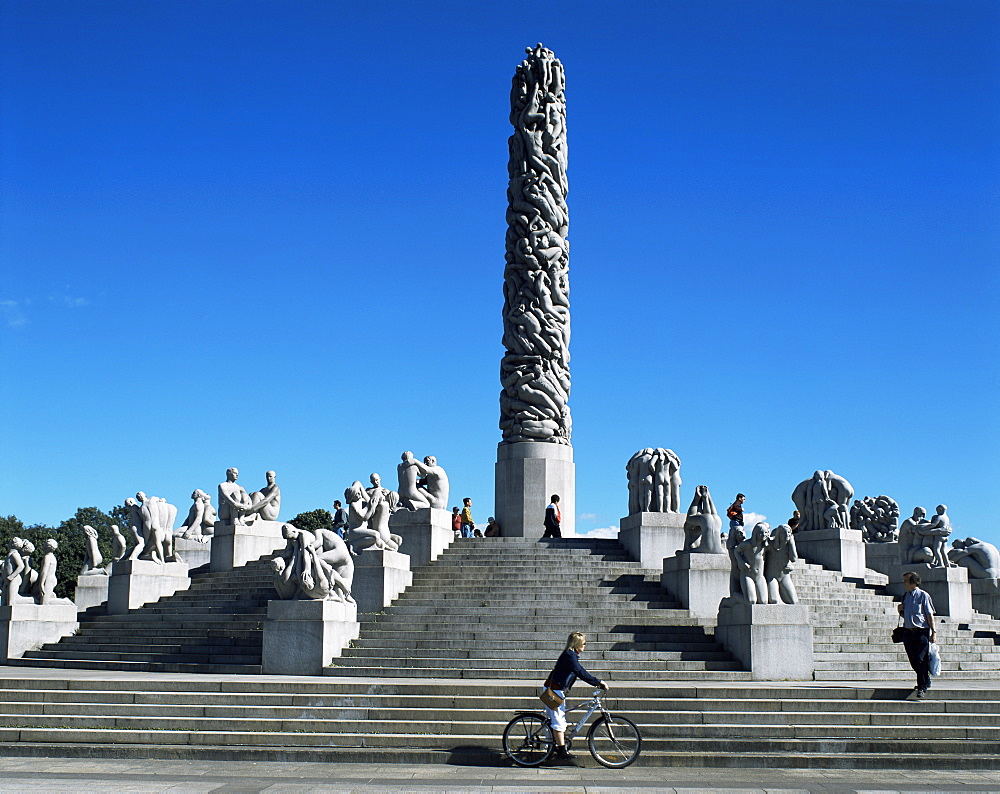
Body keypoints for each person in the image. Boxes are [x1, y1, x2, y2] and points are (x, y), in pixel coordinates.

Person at [543, 631, 608, 762]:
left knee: (556, 720)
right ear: (577, 644)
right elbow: (580, 672)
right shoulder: (569, 656)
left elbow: (579, 670)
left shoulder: (571, 655)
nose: (585, 646)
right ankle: (561, 751)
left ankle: (550, 749)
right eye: (584, 643)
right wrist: (598, 682)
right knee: (558, 721)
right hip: (553, 691)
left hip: (556, 690)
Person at [898, 571, 937, 699]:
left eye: (906, 581)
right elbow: (906, 615)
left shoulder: (923, 596)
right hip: (908, 632)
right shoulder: (905, 596)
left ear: (914, 582)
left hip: (921, 632)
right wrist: (900, 611)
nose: (904, 583)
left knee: (921, 659)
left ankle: (922, 687)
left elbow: (929, 615)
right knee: (913, 660)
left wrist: (933, 632)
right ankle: (925, 679)